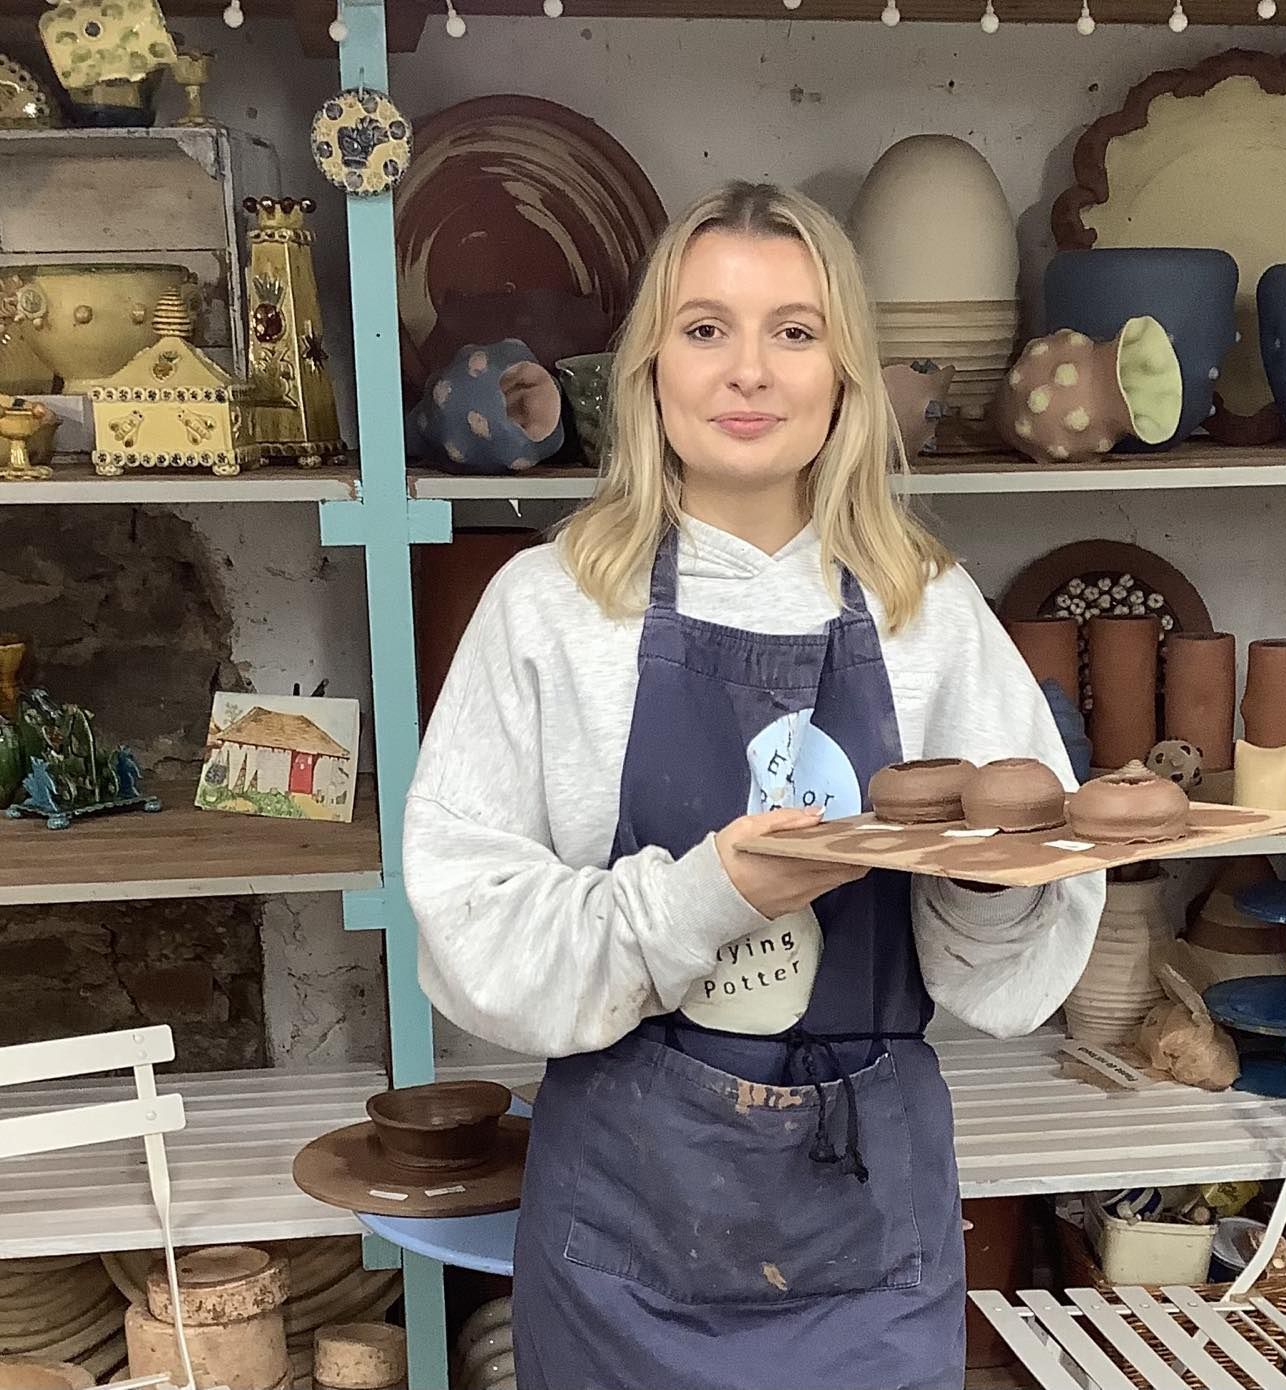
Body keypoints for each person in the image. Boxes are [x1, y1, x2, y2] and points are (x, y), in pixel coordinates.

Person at [403, 180, 1105, 1390]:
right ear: (647, 370)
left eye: (794, 330)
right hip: (627, 1231)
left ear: (846, 374)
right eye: (705, 328)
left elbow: (1000, 980)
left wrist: (994, 877)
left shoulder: (927, 608)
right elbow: (475, 939)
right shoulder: (550, 608)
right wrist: (708, 894)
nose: (749, 372)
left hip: (867, 1232)